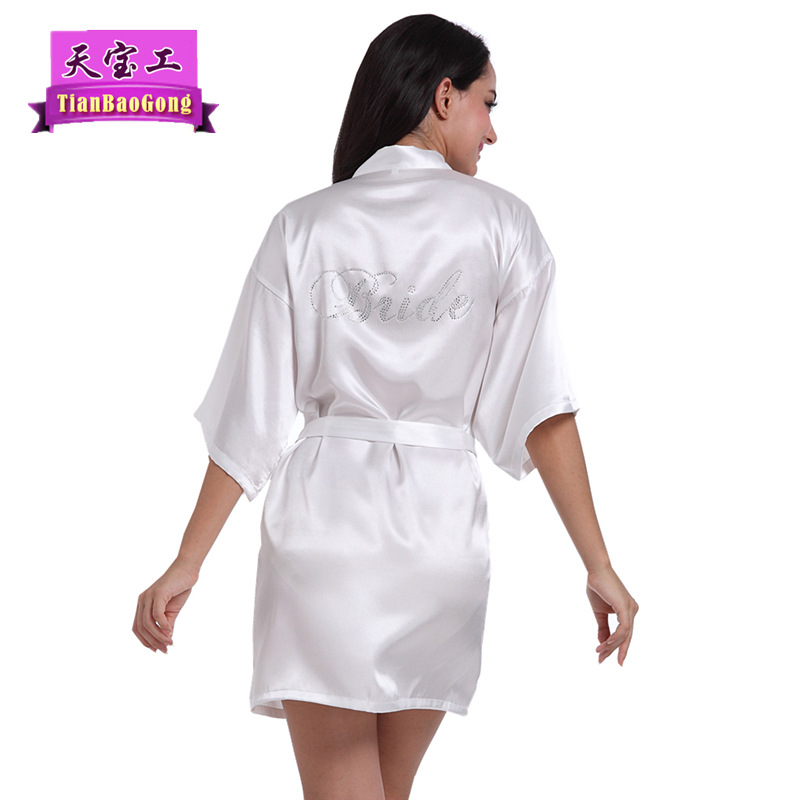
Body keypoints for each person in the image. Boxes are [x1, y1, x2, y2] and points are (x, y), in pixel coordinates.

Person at [133, 14, 638, 800]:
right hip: (441, 541)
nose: (493, 131)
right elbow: (544, 410)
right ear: (444, 96)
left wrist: (187, 561)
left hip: (329, 535)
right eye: (488, 104)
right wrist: (597, 564)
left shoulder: (305, 225)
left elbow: (249, 416)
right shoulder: (506, 224)